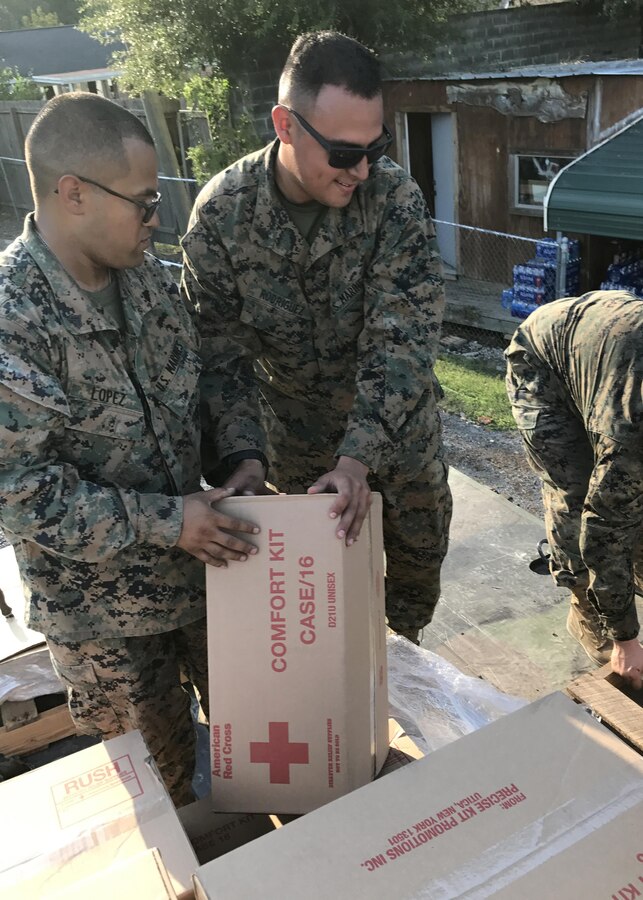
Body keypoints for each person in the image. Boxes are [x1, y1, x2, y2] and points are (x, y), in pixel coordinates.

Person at [0, 93, 259, 805]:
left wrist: (242, 456)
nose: (156, 220)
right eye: (143, 203)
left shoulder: (147, 279)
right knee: (156, 799)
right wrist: (170, 521)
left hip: (210, 584)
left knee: (266, 754)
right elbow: (20, 495)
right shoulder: (12, 318)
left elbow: (209, 375)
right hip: (105, 623)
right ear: (73, 193)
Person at [182, 31, 452, 643]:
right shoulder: (221, 218)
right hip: (297, 455)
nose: (361, 169)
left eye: (374, 147)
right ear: (285, 124)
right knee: (316, 610)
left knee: (412, 590)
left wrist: (358, 458)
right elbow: (219, 361)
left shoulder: (393, 200)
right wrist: (242, 456)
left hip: (398, 443)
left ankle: (397, 687)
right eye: (341, 152)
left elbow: (402, 343)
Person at [505, 291, 643, 686]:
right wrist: (625, 637)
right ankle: (587, 612)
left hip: (606, 351)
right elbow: (605, 526)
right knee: (577, 495)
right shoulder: (632, 431)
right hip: (543, 361)